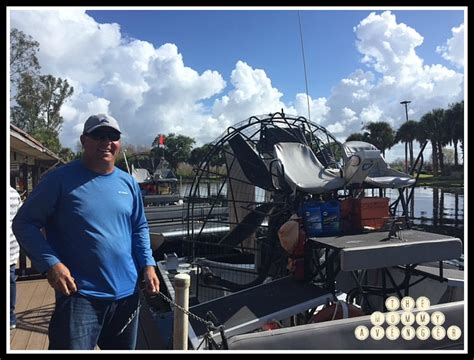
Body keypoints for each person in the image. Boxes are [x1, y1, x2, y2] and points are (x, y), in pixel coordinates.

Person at [12, 114, 160, 350]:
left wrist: (148, 264)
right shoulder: (58, 179)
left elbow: (139, 226)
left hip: (127, 296)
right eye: (98, 135)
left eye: (113, 136)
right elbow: (24, 223)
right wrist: (52, 264)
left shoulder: (128, 183)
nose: (106, 142)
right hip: (79, 297)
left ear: (119, 142)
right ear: (84, 140)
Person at [9, 184, 22, 330]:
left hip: (11, 248)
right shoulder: (13, 193)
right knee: (10, 282)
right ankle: (10, 317)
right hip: (11, 247)